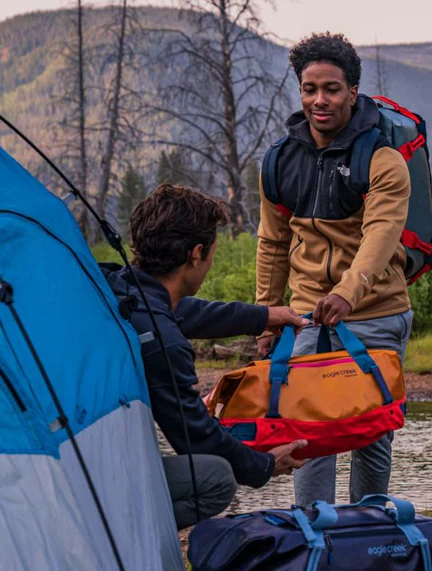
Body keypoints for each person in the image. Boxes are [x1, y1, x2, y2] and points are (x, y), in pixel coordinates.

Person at [255, 32, 413, 507]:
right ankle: (313, 531)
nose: (319, 100)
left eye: (331, 89)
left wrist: (347, 292)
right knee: (308, 430)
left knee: (372, 431)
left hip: (377, 311)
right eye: (310, 89)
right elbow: (273, 242)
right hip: (307, 314)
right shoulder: (279, 161)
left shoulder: (383, 160)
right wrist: (266, 316)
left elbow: (381, 236)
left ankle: (370, 528)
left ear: (353, 92)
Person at [104, 184, 310, 529]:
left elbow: (182, 312)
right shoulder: (162, 341)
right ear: (197, 253)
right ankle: (119, 540)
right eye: (213, 251)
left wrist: (263, 316)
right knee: (216, 478)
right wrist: (263, 465)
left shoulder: (116, 286)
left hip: (63, 454)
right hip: (88, 475)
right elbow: (196, 436)